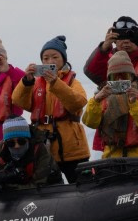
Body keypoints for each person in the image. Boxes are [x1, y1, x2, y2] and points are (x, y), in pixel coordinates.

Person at [82, 15, 138, 151]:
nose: (126, 42)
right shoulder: (108, 62)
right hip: (111, 141)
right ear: (114, 41)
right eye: (121, 38)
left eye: (131, 38)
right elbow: (90, 71)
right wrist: (104, 48)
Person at [11, 35, 91, 183]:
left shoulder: (72, 81)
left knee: (82, 184)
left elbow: (79, 102)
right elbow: (18, 101)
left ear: (63, 60)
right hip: (44, 145)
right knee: (48, 188)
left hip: (72, 148)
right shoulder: (36, 83)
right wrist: (26, 81)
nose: (49, 62)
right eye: (45, 58)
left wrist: (56, 83)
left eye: (54, 57)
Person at [81, 51, 138, 158]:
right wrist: (96, 100)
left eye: (124, 75)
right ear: (109, 79)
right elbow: (90, 123)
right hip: (112, 157)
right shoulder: (102, 99)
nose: (120, 79)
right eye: (115, 77)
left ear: (132, 77)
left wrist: (134, 103)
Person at [0, 116, 56, 190]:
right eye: (11, 143)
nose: (17, 146)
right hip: (15, 189)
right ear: (6, 143)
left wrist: (12, 189)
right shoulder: (0, 148)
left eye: (21, 141)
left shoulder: (40, 150)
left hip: (47, 189)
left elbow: (39, 185)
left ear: (28, 139)